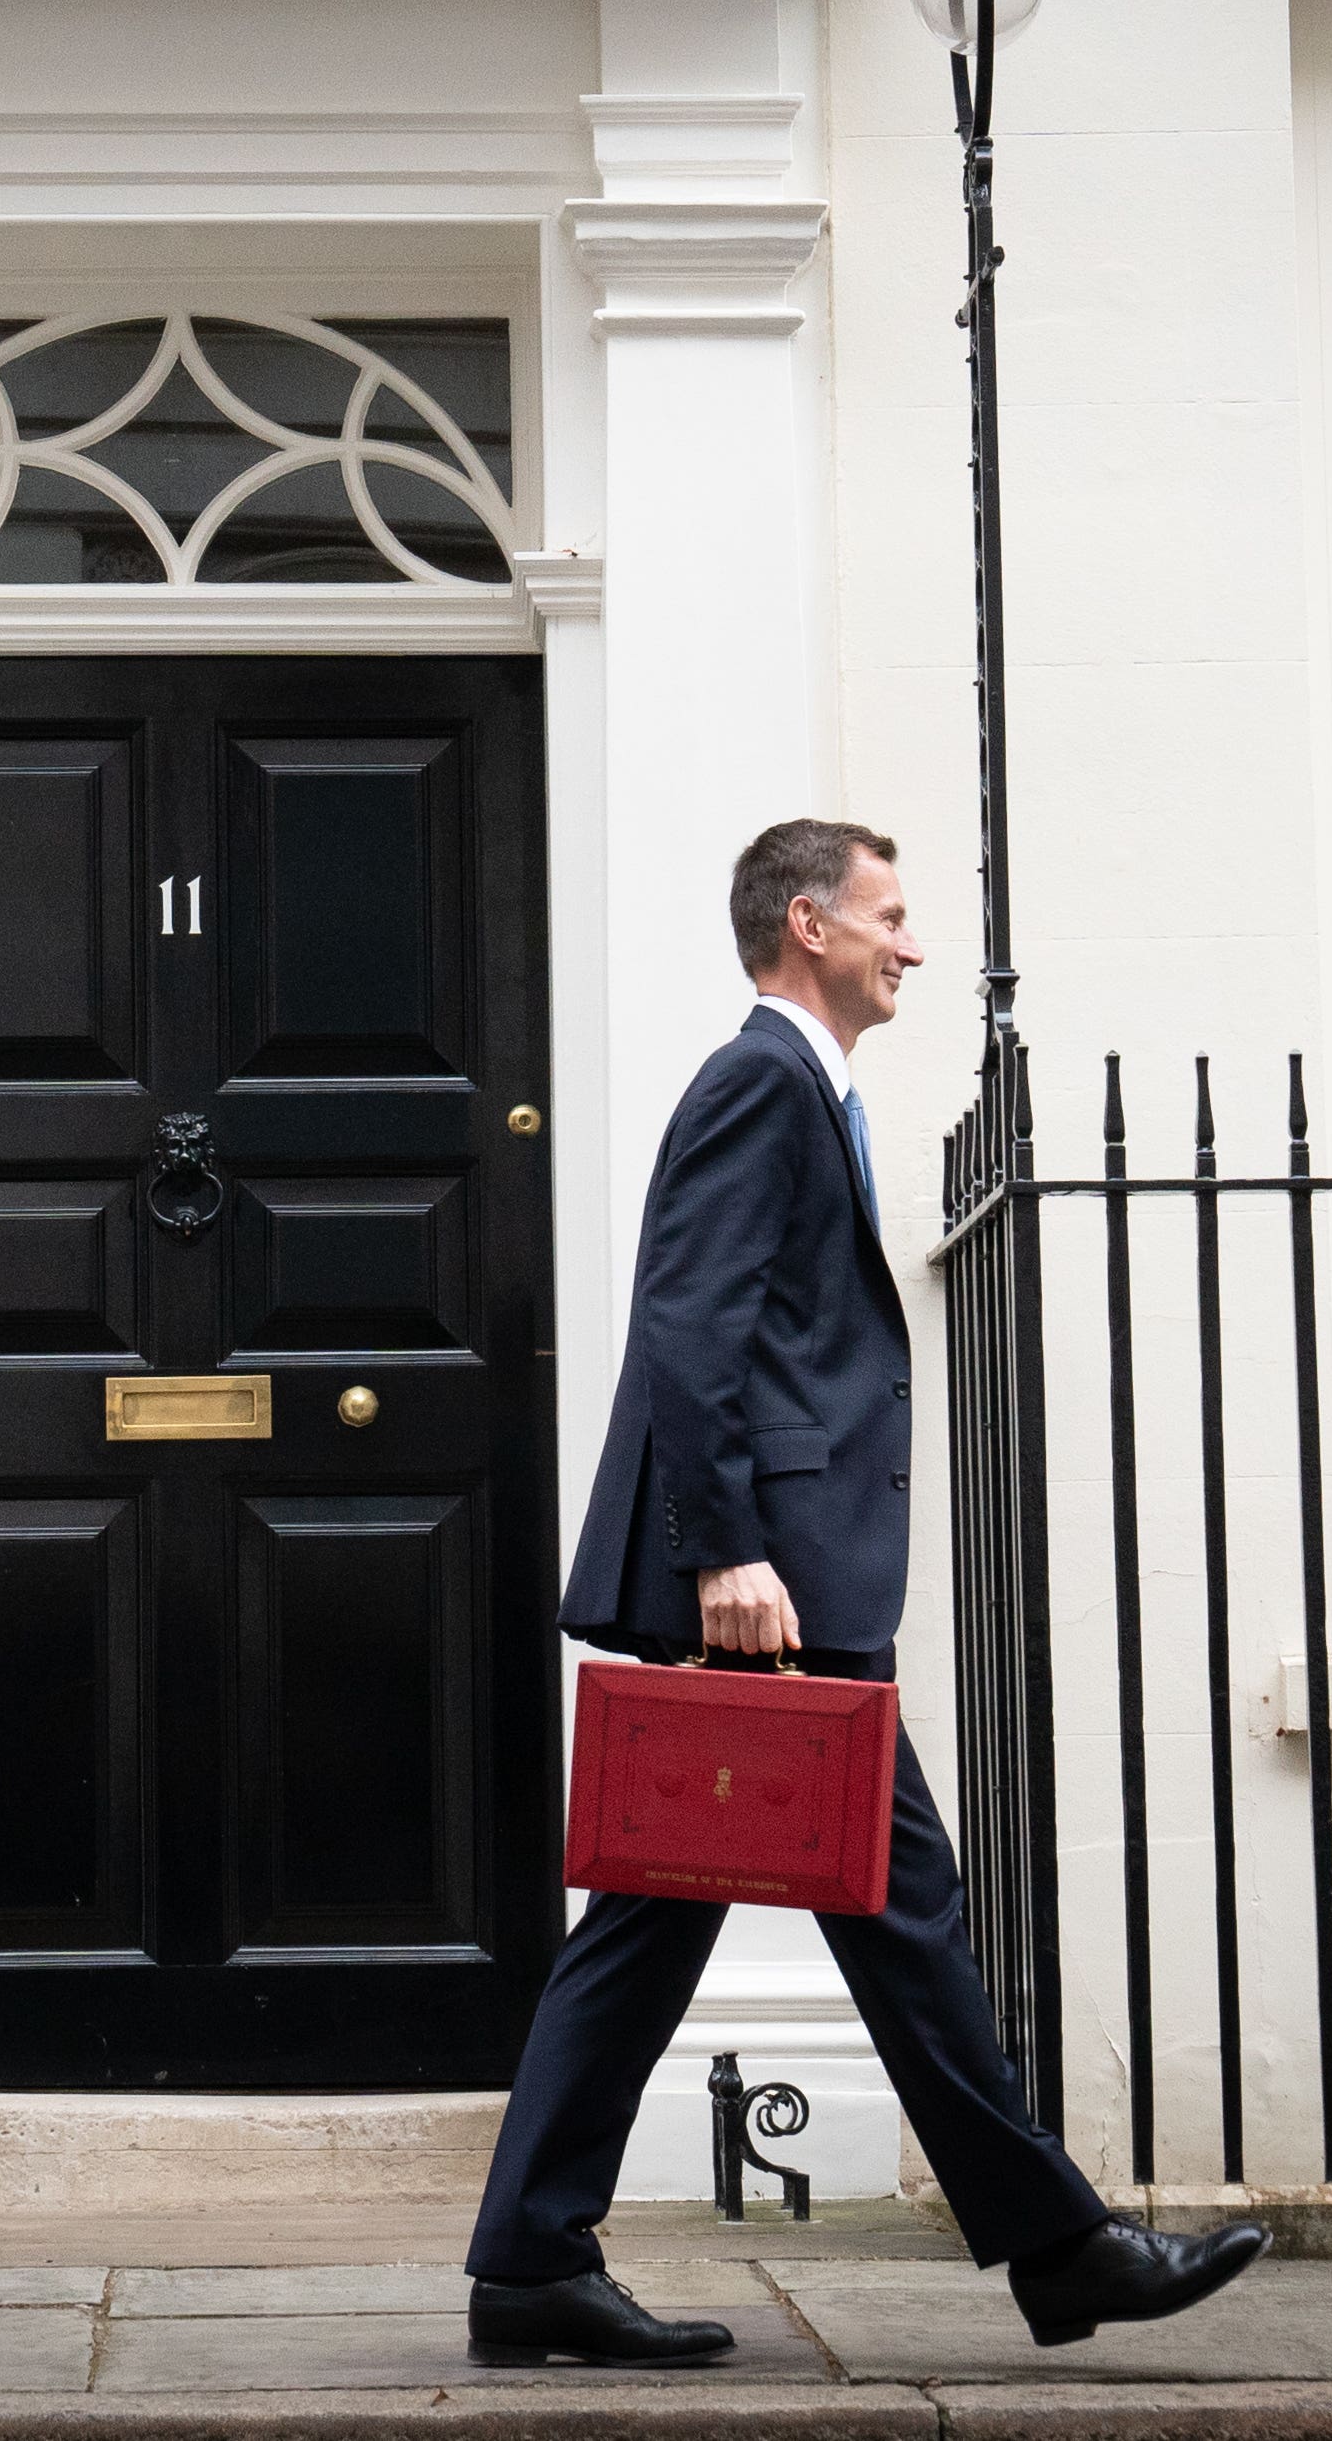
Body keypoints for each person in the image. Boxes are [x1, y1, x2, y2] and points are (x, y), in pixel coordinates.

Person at [463, 818, 1265, 2364]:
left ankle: (531, 2263)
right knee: (896, 1910)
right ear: (810, 924)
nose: (913, 946)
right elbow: (688, 1325)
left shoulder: (802, 1092)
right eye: (891, 917)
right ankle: (1060, 2246)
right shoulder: (760, 1081)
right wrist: (725, 1552)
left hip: (769, 1585)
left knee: (665, 1931)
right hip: (759, 1599)